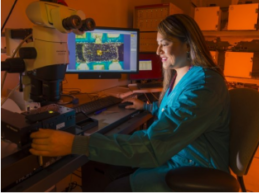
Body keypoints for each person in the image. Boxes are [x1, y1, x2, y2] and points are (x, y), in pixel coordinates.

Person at [30, 14, 230, 193]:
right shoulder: (183, 74)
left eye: (165, 43)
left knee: (115, 187)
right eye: (157, 43)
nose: (157, 50)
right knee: (105, 168)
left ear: (188, 44)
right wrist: (147, 107)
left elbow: (152, 147)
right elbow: (176, 112)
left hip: (190, 168)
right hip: (173, 152)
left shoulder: (204, 87)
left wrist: (74, 143)